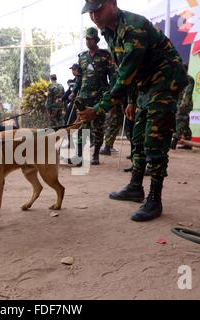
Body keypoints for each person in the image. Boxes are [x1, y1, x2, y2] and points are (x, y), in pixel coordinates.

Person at [80, 0, 188, 222]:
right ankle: (135, 187)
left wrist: (98, 109)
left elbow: (125, 75)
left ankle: (154, 199)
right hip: (144, 83)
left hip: (166, 79)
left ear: (112, 3)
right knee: (137, 135)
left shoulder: (133, 27)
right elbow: (125, 70)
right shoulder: (110, 32)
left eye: (98, 9)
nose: (94, 16)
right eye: (90, 12)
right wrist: (131, 100)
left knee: (155, 139)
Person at [74, 27, 114, 165]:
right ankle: (79, 155)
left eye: (90, 39)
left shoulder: (105, 55)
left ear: (96, 40)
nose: (88, 41)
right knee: (82, 127)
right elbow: (79, 77)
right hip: (84, 97)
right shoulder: (82, 57)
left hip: (99, 97)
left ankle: (96, 154)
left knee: (98, 127)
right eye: (86, 38)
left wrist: (114, 93)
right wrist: (74, 91)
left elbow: (112, 76)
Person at [171, 64, 195, 150]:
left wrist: (183, 105)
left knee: (180, 120)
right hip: (179, 103)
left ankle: (174, 140)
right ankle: (188, 143)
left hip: (185, 104)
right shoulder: (179, 79)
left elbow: (187, 93)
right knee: (184, 123)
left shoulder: (189, 79)